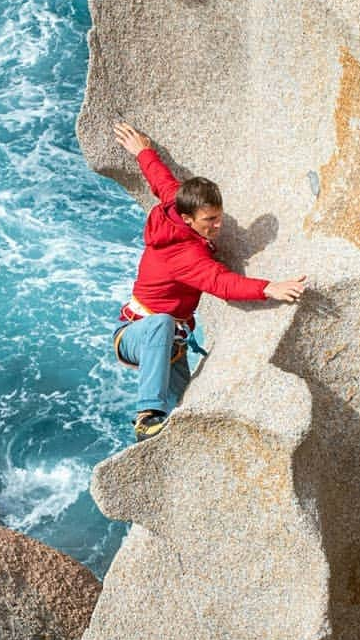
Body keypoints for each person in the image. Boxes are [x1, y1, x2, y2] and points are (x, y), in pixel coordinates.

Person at [112, 121, 305, 441]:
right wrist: (268, 287)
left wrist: (143, 151)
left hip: (170, 347)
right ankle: (146, 416)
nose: (218, 225)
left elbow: (161, 180)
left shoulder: (175, 203)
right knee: (161, 324)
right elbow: (222, 283)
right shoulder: (185, 255)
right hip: (137, 335)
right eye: (210, 221)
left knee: (182, 410)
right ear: (188, 219)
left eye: (219, 216)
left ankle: (156, 441)